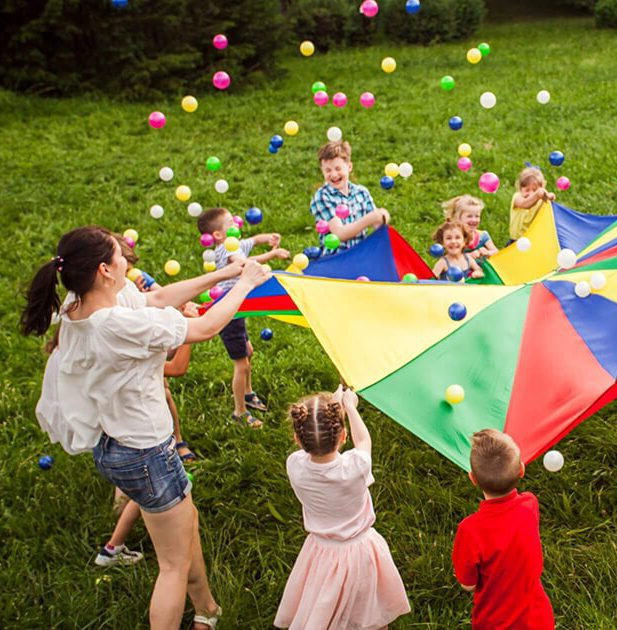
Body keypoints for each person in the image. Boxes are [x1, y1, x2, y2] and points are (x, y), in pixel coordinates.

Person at [23, 226, 272, 629]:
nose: (127, 259)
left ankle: (207, 611)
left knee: (185, 525)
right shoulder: (116, 326)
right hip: (146, 454)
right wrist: (243, 285)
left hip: (116, 445)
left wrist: (222, 275)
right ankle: (194, 612)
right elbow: (205, 329)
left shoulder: (80, 303)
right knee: (172, 565)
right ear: (105, 270)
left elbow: (154, 298)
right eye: (120, 255)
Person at [274, 387, 410, 629]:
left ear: (297, 439)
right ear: (343, 436)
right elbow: (364, 441)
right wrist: (350, 408)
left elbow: (317, 444)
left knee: (327, 607)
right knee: (371, 610)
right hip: (361, 551)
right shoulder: (355, 466)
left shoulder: (295, 465)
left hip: (322, 551)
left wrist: (334, 410)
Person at [196, 207, 290, 428]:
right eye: (230, 222)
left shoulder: (235, 243)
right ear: (218, 235)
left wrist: (270, 244)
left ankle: (248, 393)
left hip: (238, 311)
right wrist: (261, 271)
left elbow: (253, 243)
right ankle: (239, 411)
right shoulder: (224, 251)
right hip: (228, 314)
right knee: (241, 364)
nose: (236, 224)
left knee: (249, 352)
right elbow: (241, 261)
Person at [452, 429, 555, 629]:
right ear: (522, 470)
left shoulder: (470, 530)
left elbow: (468, 584)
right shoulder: (530, 504)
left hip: (494, 623)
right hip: (537, 619)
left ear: (472, 478)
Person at [310, 140, 391, 254]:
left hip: (360, 257)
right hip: (334, 261)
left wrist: (383, 218)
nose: (333, 174)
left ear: (349, 167)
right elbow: (339, 234)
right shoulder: (322, 197)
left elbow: (377, 223)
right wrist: (370, 218)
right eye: (328, 170)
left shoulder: (362, 193)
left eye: (338, 169)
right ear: (322, 171)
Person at [444, 194, 498, 259]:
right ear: (457, 218)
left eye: (477, 216)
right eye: (469, 216)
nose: (474, 220)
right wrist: (468, 256)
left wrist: (488, 253)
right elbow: (450, 259)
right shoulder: (454, 239)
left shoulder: (482, 236)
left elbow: (497, 252)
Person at [510, 166, 555, 241]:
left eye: (534, 190)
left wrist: (549, 196)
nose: (531, 193)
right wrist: (537, 194)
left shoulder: (540, 201)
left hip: (532, 240)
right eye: (527, 190)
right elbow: (525, 204)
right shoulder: (517, 198)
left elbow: (551, 198)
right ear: (520, 189)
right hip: (516, 241)